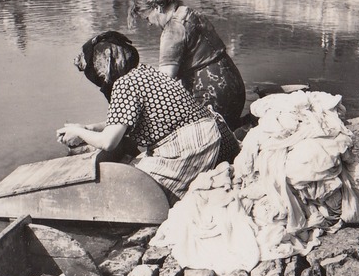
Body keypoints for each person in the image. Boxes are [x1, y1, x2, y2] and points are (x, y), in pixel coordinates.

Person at [57, 34, 238, 201]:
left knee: (130, 193)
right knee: (135, 173)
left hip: (199, 147)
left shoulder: (124, 84)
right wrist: (90, 128)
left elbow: (108, 143)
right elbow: (126, 119)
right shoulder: (144, 72)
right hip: (221, 139)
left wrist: (77, 132)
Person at [129, 0, 246, 130]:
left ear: (157, 7)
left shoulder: (172, 30)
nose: (149, 24)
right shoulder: (189, 13)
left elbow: (165, 80)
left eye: (147, 18)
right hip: (235, 86)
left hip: (212, 94)